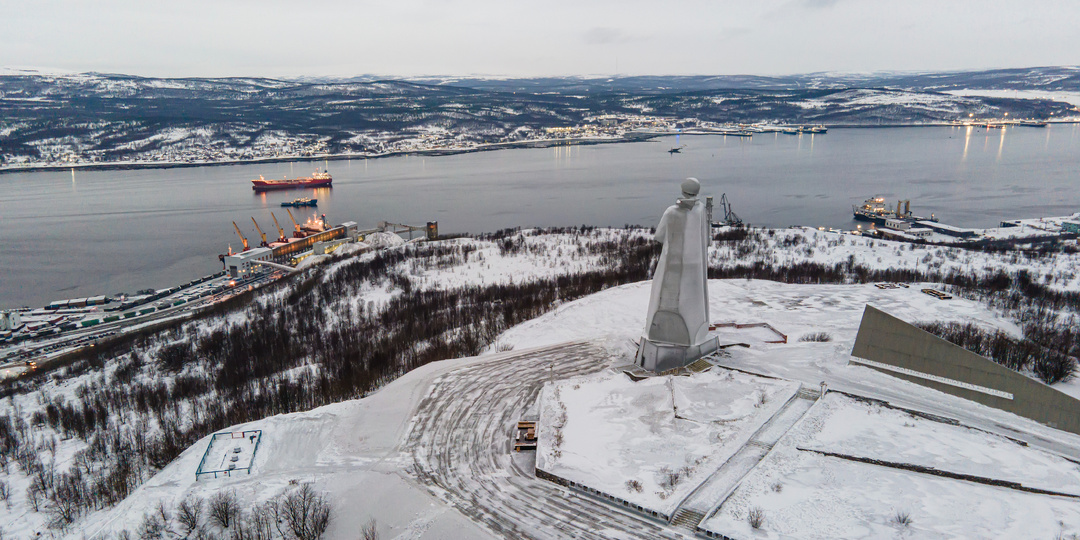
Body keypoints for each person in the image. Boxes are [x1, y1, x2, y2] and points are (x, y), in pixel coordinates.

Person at [642, 177, 710, 351]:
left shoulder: (671, 212)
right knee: (691, 304)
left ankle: (662, 332)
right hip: (694, 267)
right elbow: (705, 237)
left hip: (670, 265)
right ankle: (693, 333)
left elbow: (659, 236)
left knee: (663, 298)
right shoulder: (701, 210)